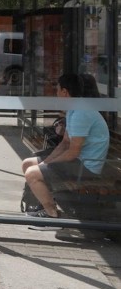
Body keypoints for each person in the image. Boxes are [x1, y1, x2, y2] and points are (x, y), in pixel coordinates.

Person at [21, 73, 110, 218]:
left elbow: (73, 152)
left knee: (32, 173)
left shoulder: (81, 113)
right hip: (79, 161)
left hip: (87, 166)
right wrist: (46, 162)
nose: (56, 94)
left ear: (65, 92)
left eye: (57, 90)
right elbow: (65, 143)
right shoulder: (73, 109)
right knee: (27, 163)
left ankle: (51, 214)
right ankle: (43, 203)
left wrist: (46, 165)